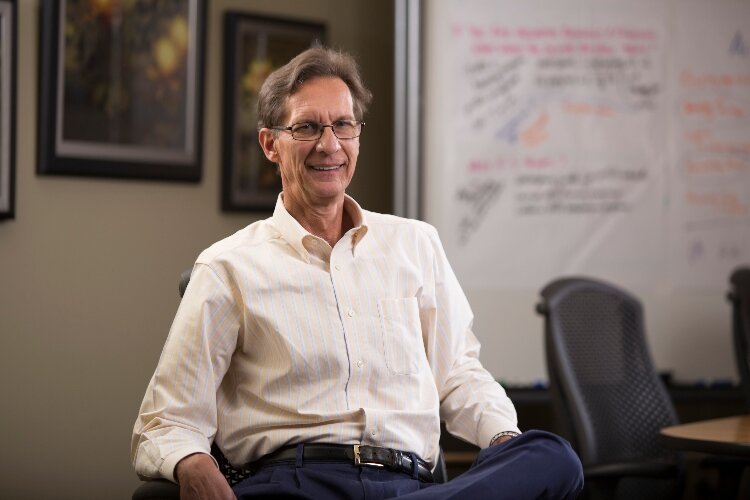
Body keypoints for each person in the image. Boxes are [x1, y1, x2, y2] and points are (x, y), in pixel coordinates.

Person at [131, 47, 583, 500]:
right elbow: (165, 421)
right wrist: (192, 463)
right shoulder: (227, 266)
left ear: (357, 136)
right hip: (298, 485)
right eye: (307, 127)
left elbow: (459, 375)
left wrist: (503, 440)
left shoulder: (415, 244)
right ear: (270, 144)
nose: (329, 145)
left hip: (410, 486)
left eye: (343, 125)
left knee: (551, 456)